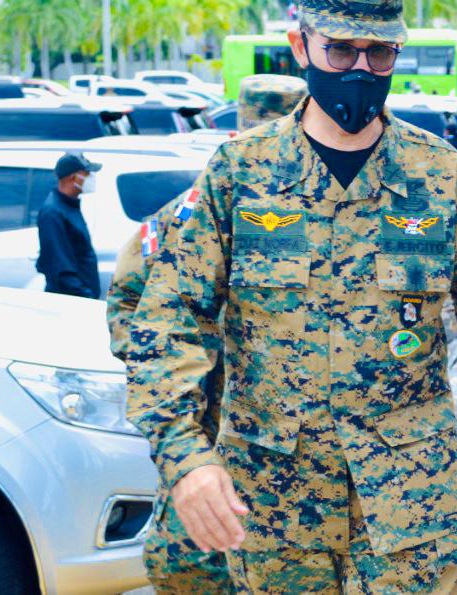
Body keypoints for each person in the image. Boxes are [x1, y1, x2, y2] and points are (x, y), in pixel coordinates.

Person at [120, 0, 457, 594]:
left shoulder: (440, 176)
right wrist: (186, 458)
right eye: (341, 49)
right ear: (300, 44)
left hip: (408, 512)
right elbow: (166, 325)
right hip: (274, 515)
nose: (360, 70)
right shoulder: (241, 173)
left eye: (379, 53)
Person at [107, 74, 307, 595]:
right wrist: (171, 363)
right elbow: (128, 301)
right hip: (204, 424)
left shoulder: (320, 214)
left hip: (286, 436)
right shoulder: (187, 212)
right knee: (188, 560)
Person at [36, 152, 102, 298]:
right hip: (71, 299)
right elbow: (60, 267)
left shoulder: (70, 205)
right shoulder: (53, 213)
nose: (91, 178)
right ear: (74, 177)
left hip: (80, 296)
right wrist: (85, 296)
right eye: (87, 174)